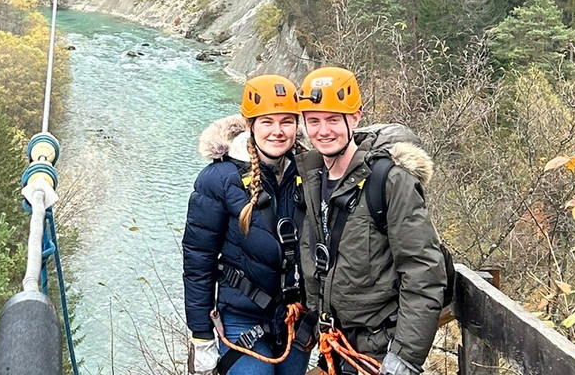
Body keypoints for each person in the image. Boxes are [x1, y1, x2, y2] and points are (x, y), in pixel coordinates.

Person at [296, 66, 446, 375]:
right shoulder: (311, 177)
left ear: (355, 118)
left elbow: (423, 270)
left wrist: (404, 357)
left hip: (379, 348)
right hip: (334, 344)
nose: (323, 131)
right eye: (314, 121)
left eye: (333, 120)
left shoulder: (389, 180)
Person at [182, 74, 311, 375]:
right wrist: (201, 334)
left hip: (293, 315)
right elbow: (198, 260)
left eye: (286, 122)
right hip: (242, 315)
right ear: (250, 125)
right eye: (267, 122)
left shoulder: (309, 172)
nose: (277, 132)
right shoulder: (219, 180)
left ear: (296, 125)